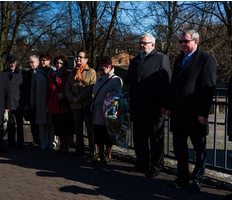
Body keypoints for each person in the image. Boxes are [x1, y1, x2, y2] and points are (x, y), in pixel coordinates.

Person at [165, 30, 216, 193]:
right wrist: (168, 106)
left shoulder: (206, 59)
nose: (182, 45)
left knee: (199, 149)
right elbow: (173, 85)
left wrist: (203, 113)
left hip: (195, 114)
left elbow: (208, 88)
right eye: (180, 42)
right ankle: (183, 178)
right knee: (179, 147)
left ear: (196, 42)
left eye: (185, 42)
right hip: (179, 112)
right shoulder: (180, 59)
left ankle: (198, 180)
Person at [124, 33, 171, 177]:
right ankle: (142, 162)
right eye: (139, 43)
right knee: (139, 137)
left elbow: (166, 84)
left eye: (144, 43)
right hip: (137, 106)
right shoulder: (135, 61)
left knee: (156, 139)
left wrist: (165, 105)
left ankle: (156, 166)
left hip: (154, 107)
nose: (141, 45)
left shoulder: (161, 58)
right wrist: (125, 94)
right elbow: (129, 82)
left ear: (152, 45)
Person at [65, 50, 97, 157]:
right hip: (75, 104)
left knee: (90, 128)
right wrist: (72, 98)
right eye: (77, 57)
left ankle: (93, 150)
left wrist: (79, 97)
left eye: (81, 57)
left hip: (86, 103)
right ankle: (79, 148)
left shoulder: (91, 72)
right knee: (77, 128)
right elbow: (67, 87)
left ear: (86, 59)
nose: (78, 59)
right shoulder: (72, 73)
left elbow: (91, 87)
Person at [92, 57, 122, 164]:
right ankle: (100, 154)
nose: (101, 71)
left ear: (109, 67)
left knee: (108, 133)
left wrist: (109, 101)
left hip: (109, 109)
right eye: (99, 69)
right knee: (99, 132)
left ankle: (108, 154)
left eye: (103, 69)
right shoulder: (99, 78)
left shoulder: (116, 79)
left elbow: (118, 95)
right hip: (98, 109)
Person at [46, 55, 75, 153]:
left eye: (61, 63)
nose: (58, 65)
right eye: (57, 63)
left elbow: (71, 89)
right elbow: (48, 92)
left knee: (65, 127)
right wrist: (47, 105)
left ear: (65, 65)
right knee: (58, 127)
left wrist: (66, 95)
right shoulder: (52, 76)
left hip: (64, 105)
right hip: (54, 104)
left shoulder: (68, 75)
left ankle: (64, 145)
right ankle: (61, 145)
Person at [31, 53, 56, 150]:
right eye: (41, 60)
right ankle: (43, 142)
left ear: (49, 61)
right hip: (40, 100)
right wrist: (32, 101)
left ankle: (52, 142)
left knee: (51, 122)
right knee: (42, 123)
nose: (42, 62)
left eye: (44, 60)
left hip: (51, 100)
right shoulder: (36, 72)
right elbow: (33, 88)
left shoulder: (53, 71)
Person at [3, 55, 29, 150]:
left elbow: (26, 89)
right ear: (6, 63)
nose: (12, 64)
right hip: (8, 103)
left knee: (20, 124)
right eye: (10, 62)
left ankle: (20, 143)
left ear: (16, 63)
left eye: (13, 62)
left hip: (19, 103)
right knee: (10, 124)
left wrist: (26, 103)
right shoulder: (3, 74)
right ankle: (11, 143)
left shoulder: (22, 73)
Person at [26, 55, 40, 146]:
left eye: (32, 62)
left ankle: (41, 139)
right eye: (29, 63)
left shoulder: (40, 73)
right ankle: (35, 139)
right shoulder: (27, 74)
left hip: (40, 100)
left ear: (37, 62)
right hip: (31, 101)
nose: (30, 64)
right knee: (33, 122)